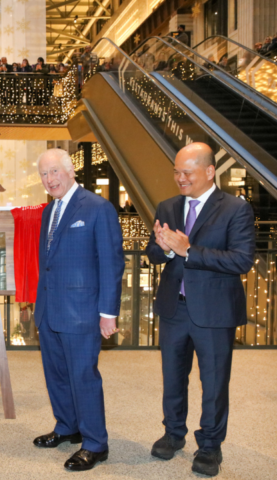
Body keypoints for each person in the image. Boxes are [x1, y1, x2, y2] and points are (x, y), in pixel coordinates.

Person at [145, 143, 255, 477]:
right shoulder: (167, 206)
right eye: (176, 172)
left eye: (187, 172)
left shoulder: (235, 208)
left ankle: (209, 446)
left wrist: (190, 251)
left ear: (209, 172)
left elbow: (242, 259)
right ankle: (173, 433)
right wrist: (163, 250)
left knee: (214, 383)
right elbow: (153, 252)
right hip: (174, 309)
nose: (180, 178)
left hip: (215, 311)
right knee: (172, 379)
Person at [32, 148, 124, 471]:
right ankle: (67, 427)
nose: (49, 179)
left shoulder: (99, 208)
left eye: (55, 171)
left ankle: (96, 443)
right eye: (44, 174)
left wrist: (108, 312)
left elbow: (112, 263)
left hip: (83, 312)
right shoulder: (48, 212)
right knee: (56, 376)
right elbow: (48, 264)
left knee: (83, 377)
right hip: (50, 310)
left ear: (71, 171)